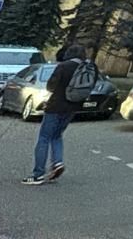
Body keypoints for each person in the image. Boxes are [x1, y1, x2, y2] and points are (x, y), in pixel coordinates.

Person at [22, 46, 87, 185]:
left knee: (44, 138)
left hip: (55, 106)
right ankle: (58, 162)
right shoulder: (87, 68)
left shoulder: (63, 66)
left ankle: (38, 174)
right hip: (72, 107)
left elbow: (50, 86)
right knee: (57, 136)